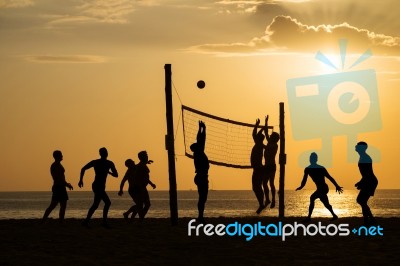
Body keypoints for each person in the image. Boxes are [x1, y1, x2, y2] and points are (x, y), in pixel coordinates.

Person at [296, 152, 343, 222]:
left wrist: (337, 186)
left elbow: (330, 178)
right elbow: (304, 180)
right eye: (311, 158)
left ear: (316, 159)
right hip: (319, 188)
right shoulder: (307, 169)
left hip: (324, 188)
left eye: (313, 158)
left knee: (312, 198)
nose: (311, 160)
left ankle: (308, 218)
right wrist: (301, 186)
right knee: (325, 203)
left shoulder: (321, 168)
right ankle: (334, 215)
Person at [78, 147, 118, 228]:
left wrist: (109, 172)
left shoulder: (109, 163)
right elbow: (83, 168)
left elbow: (116, 175)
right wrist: (81, 180)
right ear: (100, 154)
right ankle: (104, 222)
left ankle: (86, 222)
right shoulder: (96, 162)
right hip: (96, 185)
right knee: (107, 202)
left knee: (96, 205)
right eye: (103, 152)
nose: (105, 154)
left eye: (106, 152)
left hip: (101, 186)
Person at [42, 150, 73, 222]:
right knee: (53, 205)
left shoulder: (58, 164)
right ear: (57, 156)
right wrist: (67, 184)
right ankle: (44, 220)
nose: (62, 156)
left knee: (63, 205)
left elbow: (61, 177)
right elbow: (59, 178)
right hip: (58, 187)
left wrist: (66, 184)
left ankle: (60, 220)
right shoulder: (55, 165)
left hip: (61, 187)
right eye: (61, 155)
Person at [190, 121, 209, 223]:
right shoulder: (199, 152)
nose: (200, 144)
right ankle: (200, 217)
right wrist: (203, 129)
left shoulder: (198, 152)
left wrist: (201, 129)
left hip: (201, 177)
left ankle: (200, 216)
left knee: (203, 197)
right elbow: (201, 140)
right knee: (202, 197)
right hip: (201, 177)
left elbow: (200, 140)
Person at [355, 141, 378, 225]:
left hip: (370, 181)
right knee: (362, 201)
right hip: (368, 180)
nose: (355, 147)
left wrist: (362, 182)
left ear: (361, 148)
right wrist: (360, 182)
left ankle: (371, 219)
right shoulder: (362, 157)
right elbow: (365, 173)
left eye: (357, 146)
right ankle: (367, 220)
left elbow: (368, 173)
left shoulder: (365, 158)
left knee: (360, 200)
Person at [133, 151, 156, 221]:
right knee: (144, 204)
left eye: (147, 155)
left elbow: (146, 178)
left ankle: (139, 218)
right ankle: (140, 218)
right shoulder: (140, 166)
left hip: (142, 187)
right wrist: (141, 187)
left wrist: (151, 184)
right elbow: (141, 178)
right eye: (146, 156)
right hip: (140, 187)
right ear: (142, 157)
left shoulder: (142, 165)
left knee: (142, 204)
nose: (147, 157)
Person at [263, 115, 279, 208]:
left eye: (271, 135)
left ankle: (273, 200)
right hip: (267, 165)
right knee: (265, 183)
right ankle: (268, 199)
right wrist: (266, 122)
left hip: (271, 166)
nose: (270, 136)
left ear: (274, 138)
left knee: (271, 183)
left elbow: (267, 147)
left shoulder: (274, 145)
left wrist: (260, 145)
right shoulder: (270, 142)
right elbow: (265, 132)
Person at [251, 119, 266, 214]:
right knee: (257, 187)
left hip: (258, 169)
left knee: (256, 187)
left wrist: (257, 126)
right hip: (258, 168)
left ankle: (262, 204)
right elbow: (255, 134)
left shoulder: (259, 144)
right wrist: (262, 128)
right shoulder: (260, 144)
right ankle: (262, 203)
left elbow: (254, 134)